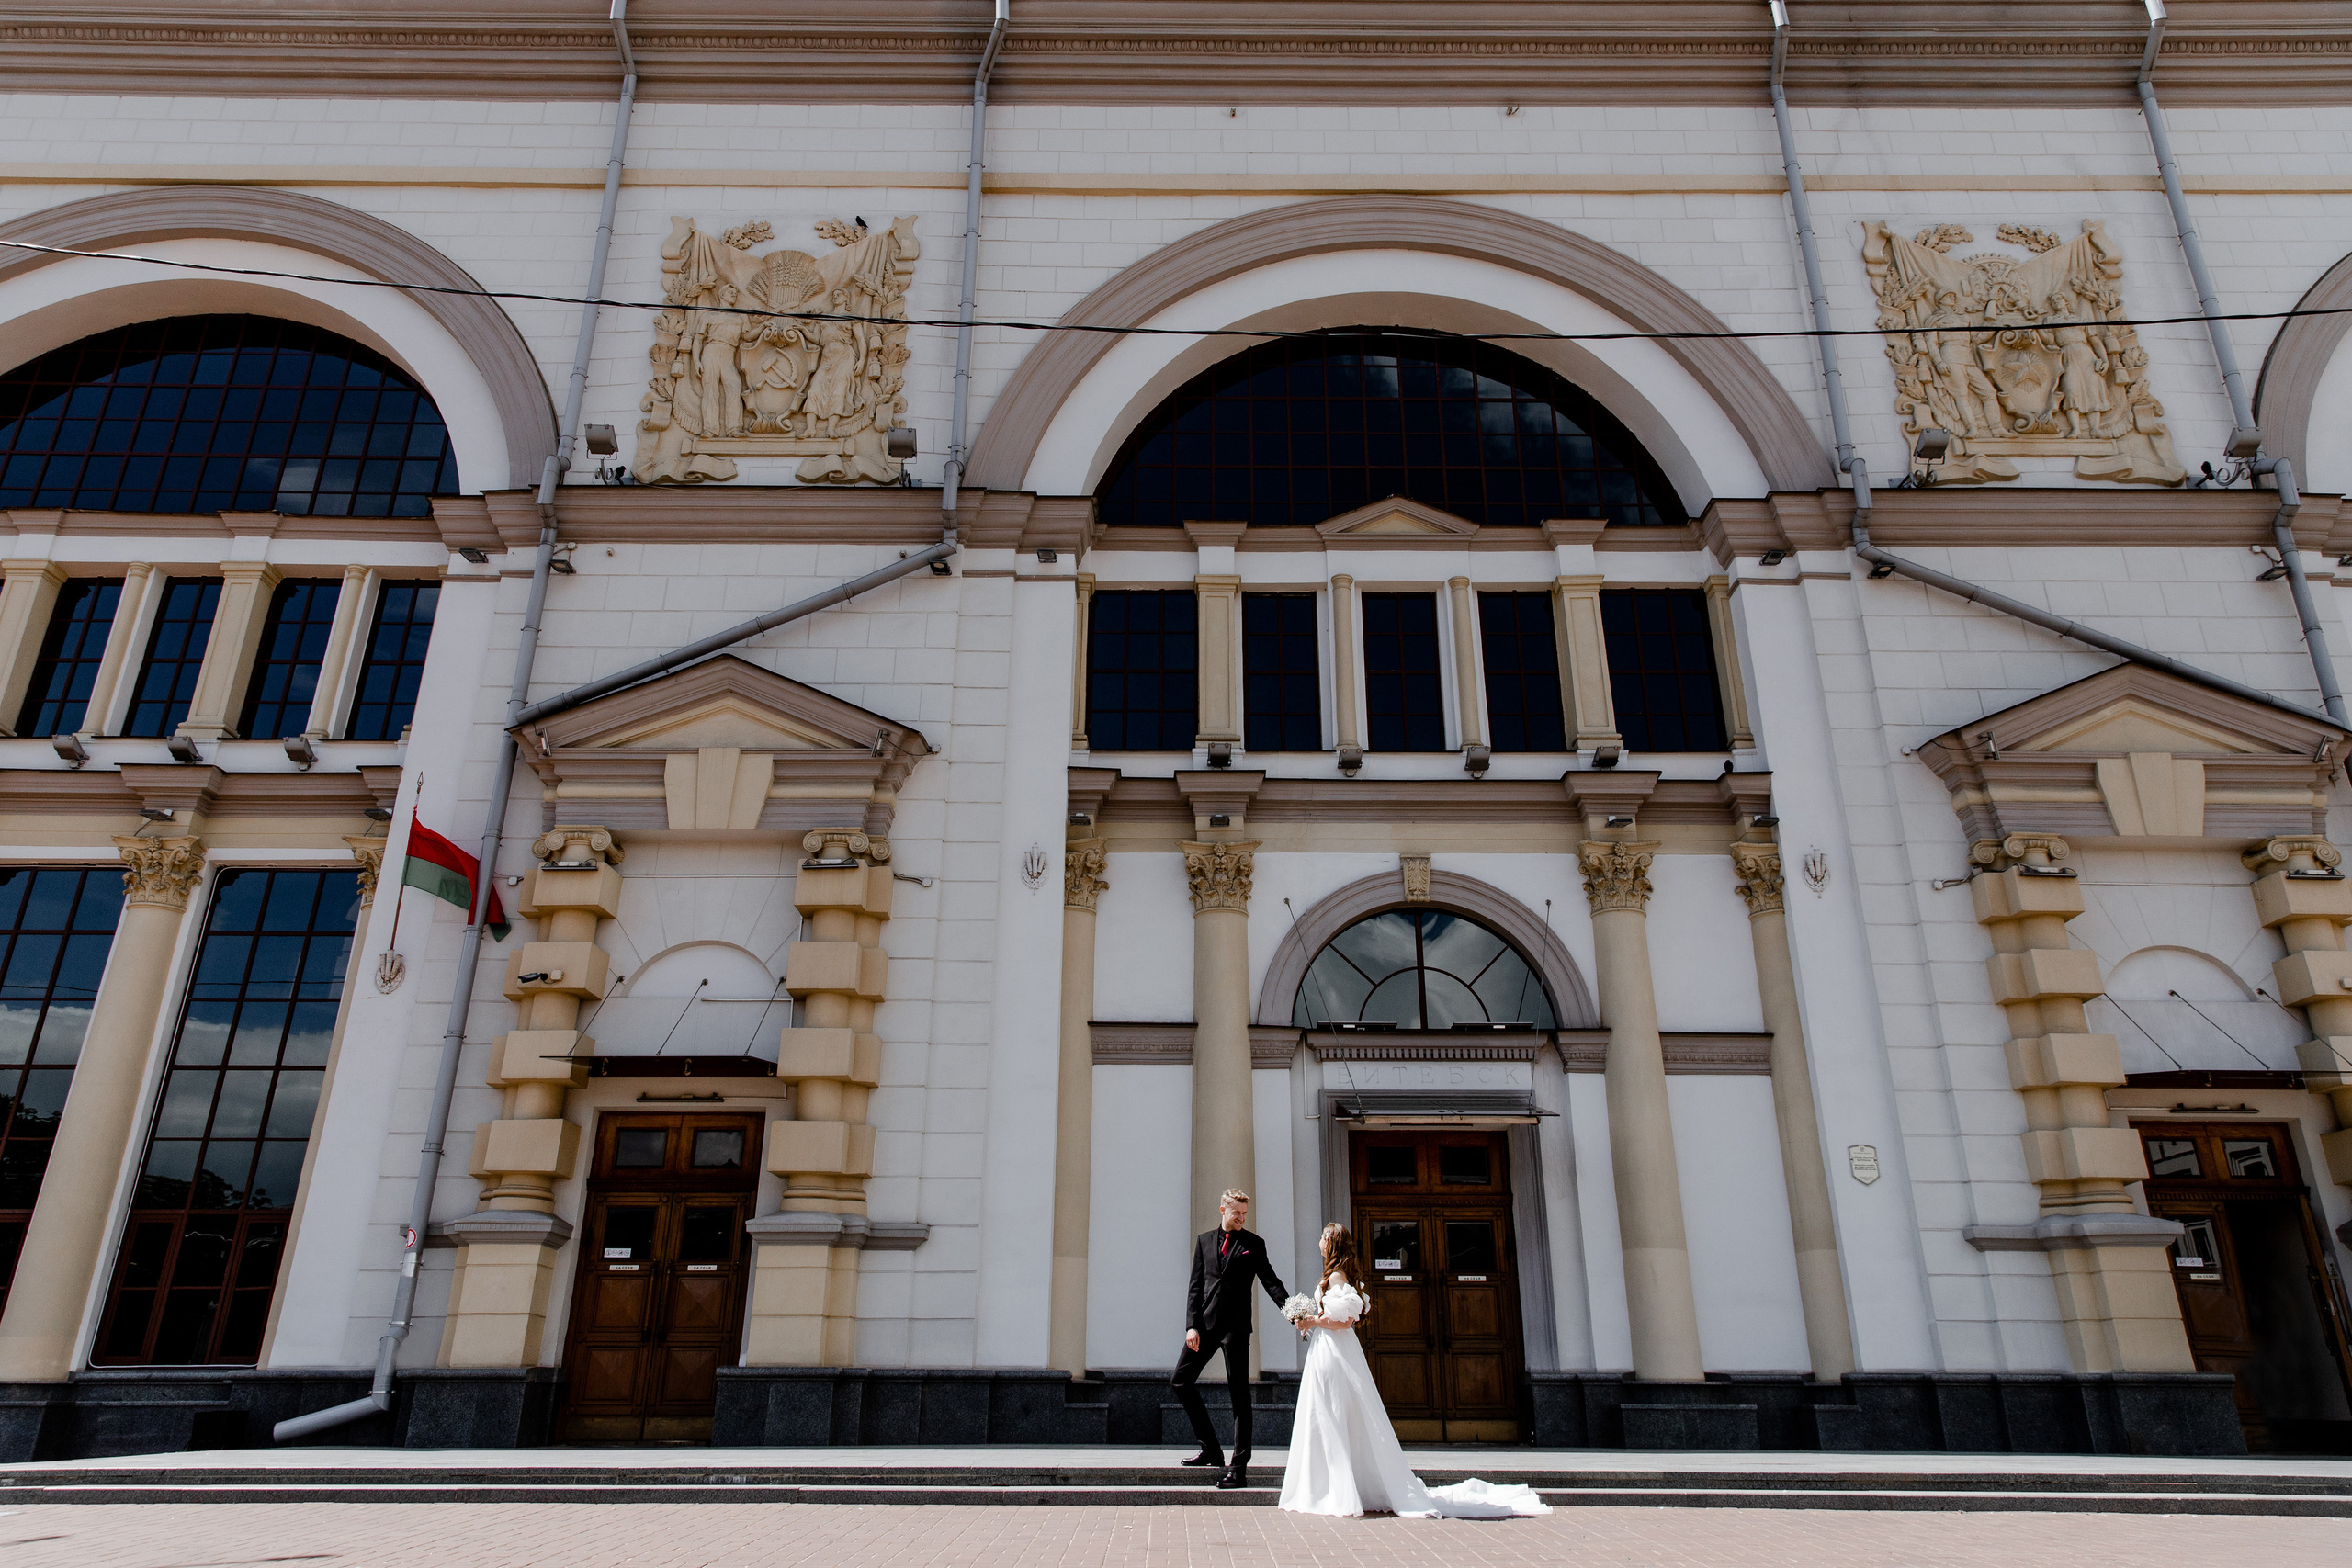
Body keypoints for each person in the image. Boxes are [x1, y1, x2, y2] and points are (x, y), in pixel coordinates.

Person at [1279, 1223, 1551, 1519]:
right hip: (1331, 1350)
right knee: (1333, 1413)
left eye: (1323, 1237)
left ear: (1332, 1244)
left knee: (1333, 1412)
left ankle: (1335, 1490)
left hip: (1334, 1352)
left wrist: (1312, 1321)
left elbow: (1344, 1321)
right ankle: (1337, 1485)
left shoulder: (1336, 1277)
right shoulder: (1337, 1275)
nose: (1319, 1241)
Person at [1172, 1190, 1289, 1490]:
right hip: (1206, 1326)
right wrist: (1191, 1326)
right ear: (1223, 1209)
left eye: (1244, 1214)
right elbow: (1195, 1287)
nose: (1241, 1218)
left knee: (1239, 1395)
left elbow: (1271, 1281)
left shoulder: (1254, 1244)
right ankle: (1211, 1449)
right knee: (1181, 1380)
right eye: (1236, 1213)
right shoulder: (1204, 1241)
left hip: (1236, 1329)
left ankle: (1238, 1468)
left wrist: (1293, 1311)